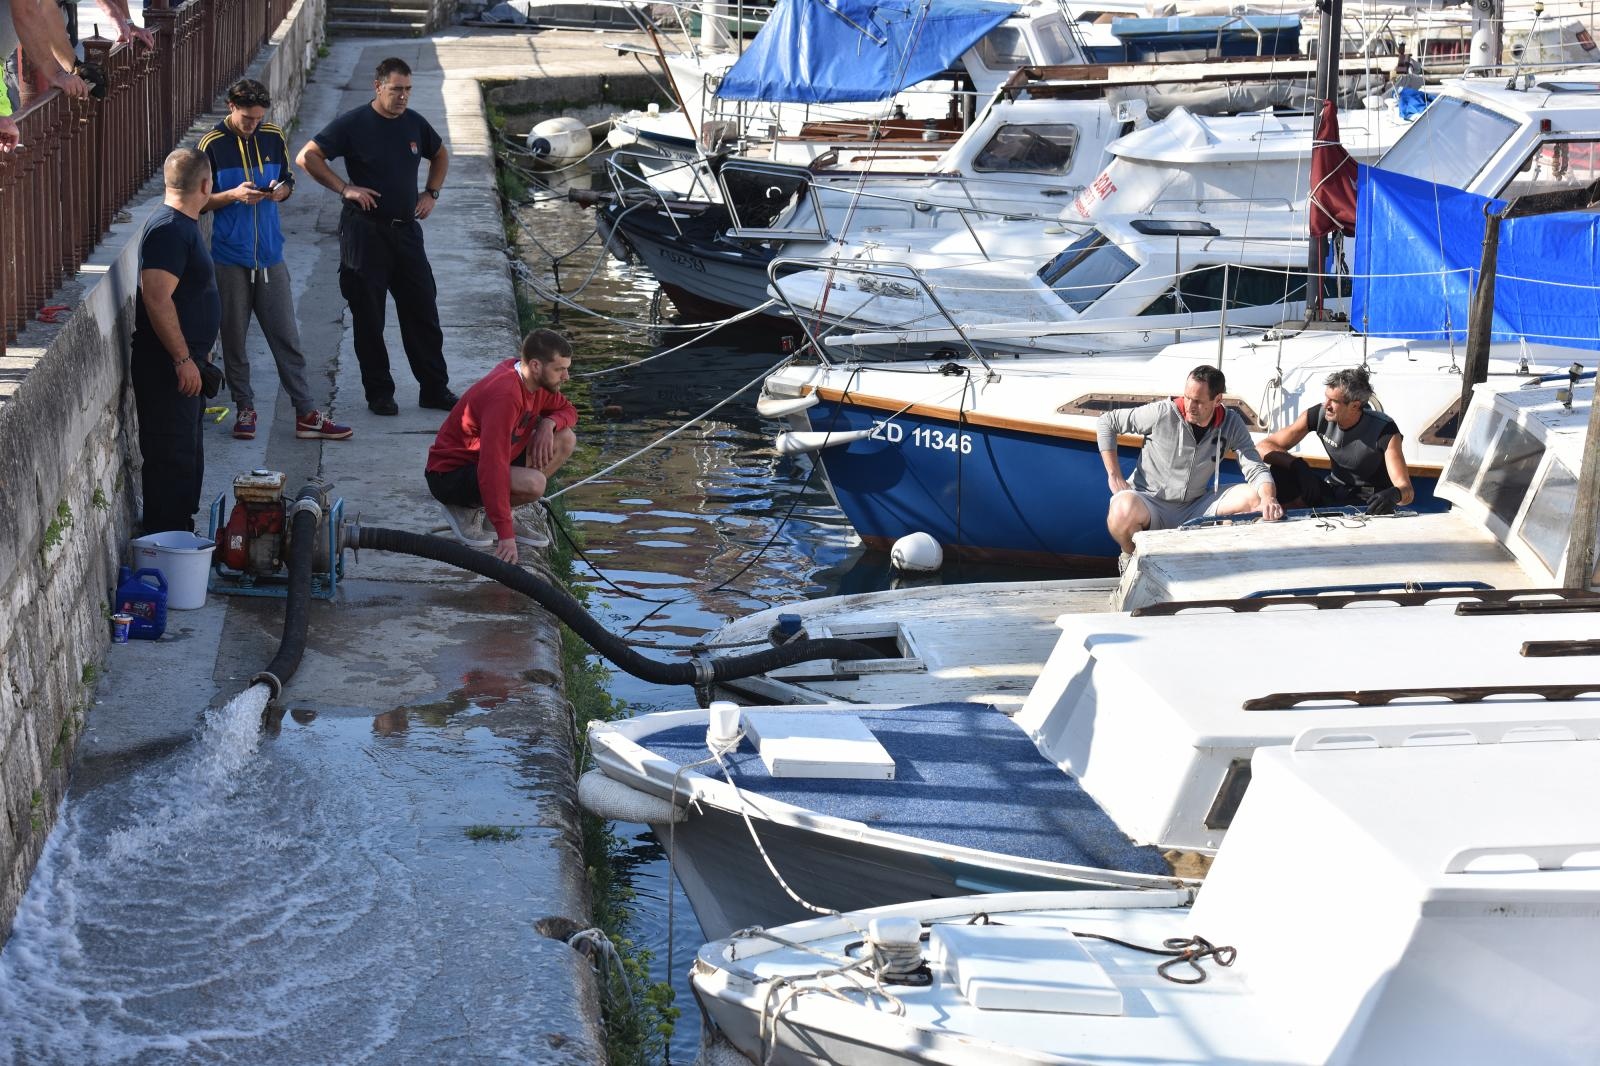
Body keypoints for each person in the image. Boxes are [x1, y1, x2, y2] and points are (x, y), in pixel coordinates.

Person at [295, 56, 457, 416]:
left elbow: (441, 154)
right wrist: (344, 188)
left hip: (406, 232)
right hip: (365, 233)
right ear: (378, 86)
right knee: (369, 317)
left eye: (408, 90)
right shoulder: (354, 124)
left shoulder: (414, 124)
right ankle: (380, 393)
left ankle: (434, 388)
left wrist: (431, 193)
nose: (403, 97)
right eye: (397, 89)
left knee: (422, 310)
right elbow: (308, 157)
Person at [200, 79, 351, 443]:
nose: (253, 124)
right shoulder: (210, 145)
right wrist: (233, 195)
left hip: (270, 255)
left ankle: (306, 413)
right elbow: (199, 201)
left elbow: (287, 180)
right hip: (229, 257)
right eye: (246, 117)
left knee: (286, 337)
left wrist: (283, 192)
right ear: (230, 106)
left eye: (257, 118)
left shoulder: (272, 135)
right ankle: (245, 407)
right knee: (234, 338)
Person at [1097, 364, 1282, 564]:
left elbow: (1255, 465)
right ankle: (1130, 558)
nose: (1189, 405)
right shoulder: (1162, 413)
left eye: (1198, 401)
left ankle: (1221, 563)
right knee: (1121, 510)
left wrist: (1268, 498)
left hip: (1195, 504)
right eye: (1187, 397)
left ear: (1217, 400)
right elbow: (1107, 422)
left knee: (1254, 497)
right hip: (1150, 502)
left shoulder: (1231, 423)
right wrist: (1114, 475)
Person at [425, 329, 578, 563]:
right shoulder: (505, 396)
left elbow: (569, 411)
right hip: (450, 476)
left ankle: (493, 517)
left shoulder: (536, 384)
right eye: (560, 369)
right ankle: (463, 510)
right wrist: (506, 536)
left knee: (566, 438)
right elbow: (491, 466)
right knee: (535, 483)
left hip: (486, 463)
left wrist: (549, 423)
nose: (566, 376)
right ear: (536, 365)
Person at [131, 147, 220, 533]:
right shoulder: (169, 229)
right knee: (170, 456)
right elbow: (155, 296)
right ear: (205, 184)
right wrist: (183, 359)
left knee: (185, 456)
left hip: (187, 364)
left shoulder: (182, 224)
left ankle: (179, 531)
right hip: (169, 367)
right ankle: (165, 540)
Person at [1258, 366, 1414, 514]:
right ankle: (1289, 515)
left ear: (1354, 406)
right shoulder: (1317, 415)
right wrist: (1298, 465)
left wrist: (1394, 495)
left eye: (1334, 401)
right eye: (1326, 398)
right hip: (1332, 493)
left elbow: (1407, 490)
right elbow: (1262, 447)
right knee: (1281, 470)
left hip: (1370, 503)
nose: (1326, 405)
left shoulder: (1384, 430)